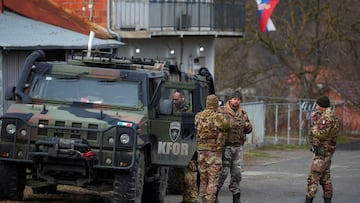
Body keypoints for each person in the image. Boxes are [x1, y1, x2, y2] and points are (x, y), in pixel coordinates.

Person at [217, 90, 253, 203]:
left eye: (238, 100)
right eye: (234, 99)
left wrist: (247, 126)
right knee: (223, 172)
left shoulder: (243, 113)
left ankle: (236, 195)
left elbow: (249, 128)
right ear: (230, 100)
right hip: (225, 147)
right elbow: (216, 126)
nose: (236, 101)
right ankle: (214, 194)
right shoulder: (222, 111)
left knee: (237, 173)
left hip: (238, 147)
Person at [195, 94, 230, 203]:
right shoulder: (217, 116)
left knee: (203, 180)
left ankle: (204, 200)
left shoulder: (198, 116)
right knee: (213, 181)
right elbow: (227, 126)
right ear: (215, 104)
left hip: (201, 152)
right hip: (213, 153)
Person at [304, 96, 339, 203]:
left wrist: (314, 127)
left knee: (313, 176)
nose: (316, 107)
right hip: (326, 150)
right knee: (325, 177)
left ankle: (309, 199)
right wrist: (316, 119)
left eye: (317, 105)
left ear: (322, 106)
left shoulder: (327, 118)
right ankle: (328, 199)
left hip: (322, 151)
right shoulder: (328, 115)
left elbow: (321, 134)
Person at [172, 89, 198, 203]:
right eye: (173, 99)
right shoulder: (173, 109)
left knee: (189, 176)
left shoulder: (190, 110)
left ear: (182, 98)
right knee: (180, 175)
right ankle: (186, 198)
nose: (174, 101)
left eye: (176, 99)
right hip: (178, 146)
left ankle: (193, 199)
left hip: (189, 145)